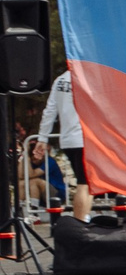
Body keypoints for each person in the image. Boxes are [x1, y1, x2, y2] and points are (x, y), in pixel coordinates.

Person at [37, 68, 88, 220]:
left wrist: (42, 138)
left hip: (67, 140)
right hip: (85, 138)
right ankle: (81, 222)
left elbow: (50, 111)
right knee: (85, 184)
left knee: (84, 182)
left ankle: (82, 219)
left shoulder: (60, 80)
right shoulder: (88, 77)